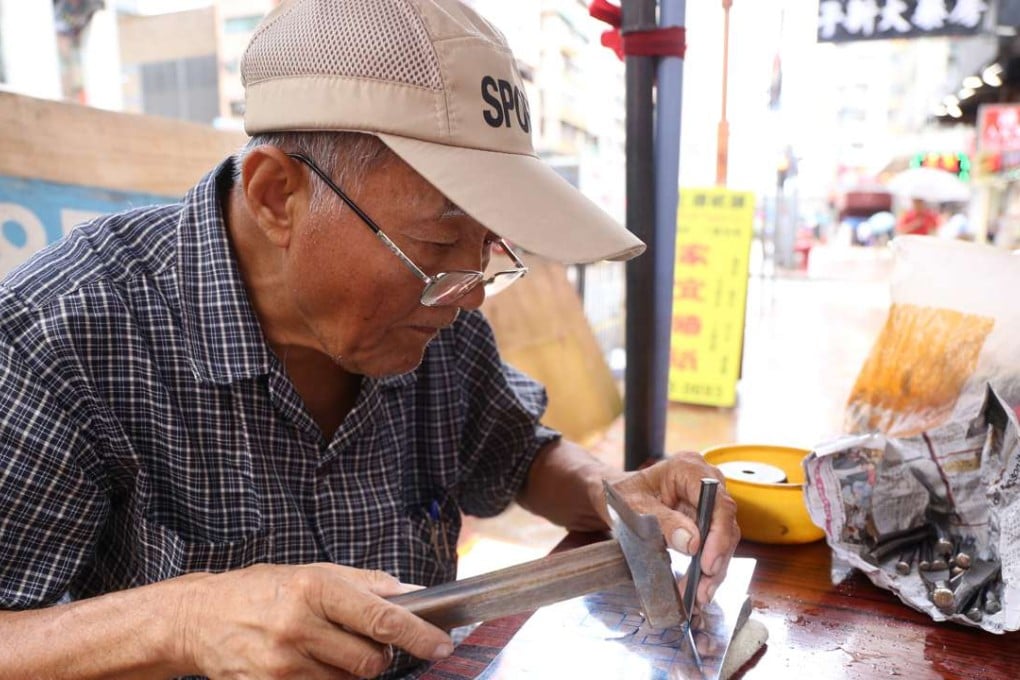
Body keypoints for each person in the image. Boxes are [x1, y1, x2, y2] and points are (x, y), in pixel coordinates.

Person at [0, 0, 740, 677]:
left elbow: (516, 451)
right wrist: (185, 619)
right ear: (275, 196)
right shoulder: (62, 339)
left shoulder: (434, 315)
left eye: (487, 245)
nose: (472, 290)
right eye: (441, 237)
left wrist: (608, 494)